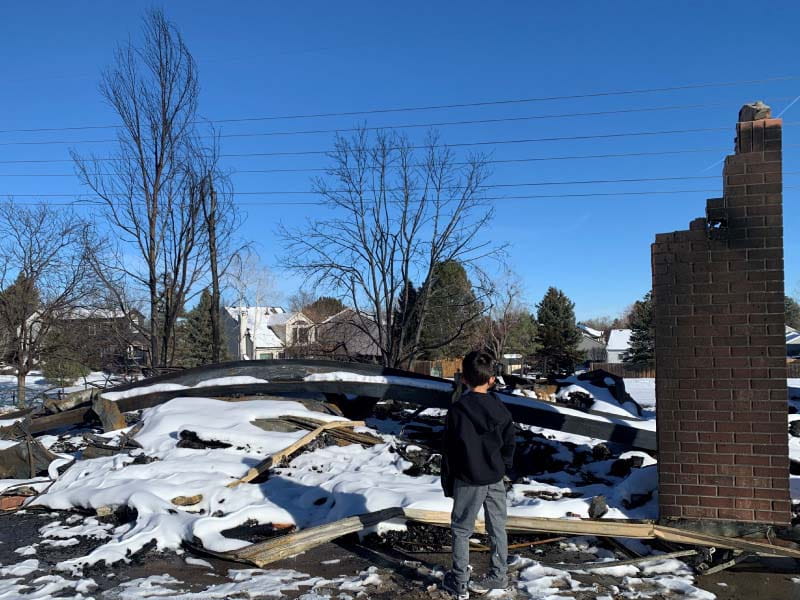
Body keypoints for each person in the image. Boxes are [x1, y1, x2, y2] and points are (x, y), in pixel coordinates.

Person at [441, 351, 516, 598]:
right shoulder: (501, 409)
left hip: (467, 479)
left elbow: (449, 450)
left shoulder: (457, 411)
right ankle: (498, 576)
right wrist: (503, 467)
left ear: (463, 379)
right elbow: (509, 444)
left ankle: (460, 581)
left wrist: (448, 481)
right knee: (498, 527)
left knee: (462, 530)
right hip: (494, 478)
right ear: (492, 380)